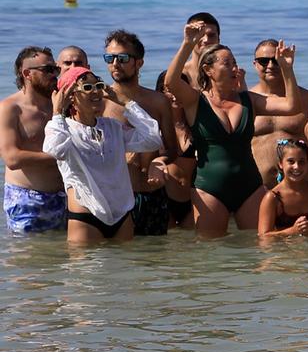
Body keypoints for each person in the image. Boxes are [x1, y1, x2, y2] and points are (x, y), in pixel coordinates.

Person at [161, 20, 304, 235]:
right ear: (208, 70)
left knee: (258, 250)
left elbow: (292, 105)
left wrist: (287, 69)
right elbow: (171, 82)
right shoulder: (195, 101)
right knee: (211, 256)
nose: (234, 68)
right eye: (227, 63)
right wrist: (187, 44)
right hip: (209, 189)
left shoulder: (250, 100)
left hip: (250, 187)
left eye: (234, 63)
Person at [44, 65, 164, 243]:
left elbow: (152, 139)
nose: (95, 92)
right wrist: (57, 112)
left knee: (123, 270)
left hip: (122, 215)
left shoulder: (112, 127)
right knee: (88, 271)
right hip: (86, 215)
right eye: (87, 87)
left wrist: (127, 103)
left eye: (98, 85)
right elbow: (55, 150)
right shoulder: (62, 128)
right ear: (71, 97)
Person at [101, 30, 177, 236]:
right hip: (116, 198)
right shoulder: (100, 102)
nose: (115, 63)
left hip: (153, 196)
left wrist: (158, 162)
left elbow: (171, 149)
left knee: (153, 262)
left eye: (123, 58)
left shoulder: (158, 102)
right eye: (110, 58)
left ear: (139, 63)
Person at [3, 47, 67, 234]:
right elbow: (12, 158)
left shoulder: (59, 104)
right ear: (27, 74)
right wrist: (61, 156)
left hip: (64, 198)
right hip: (27, 201)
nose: (55, 74)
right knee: (30, 260)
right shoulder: (10, 109)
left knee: (66, 260)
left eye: (55, 68)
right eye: (48, 69)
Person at [248, 39, 308, 184]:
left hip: (302, 188)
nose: (271, 65)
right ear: (255, 64)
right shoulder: (247, 100)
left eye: (276, 60)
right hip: (258, 189)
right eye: (263, 61)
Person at [257, 138, 308, 239]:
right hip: (282, 252)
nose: (297, 167)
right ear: (281, 164)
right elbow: (263, 237)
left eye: (301, 162)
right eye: (291, 161)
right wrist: (292, 231)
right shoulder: (273, 198)